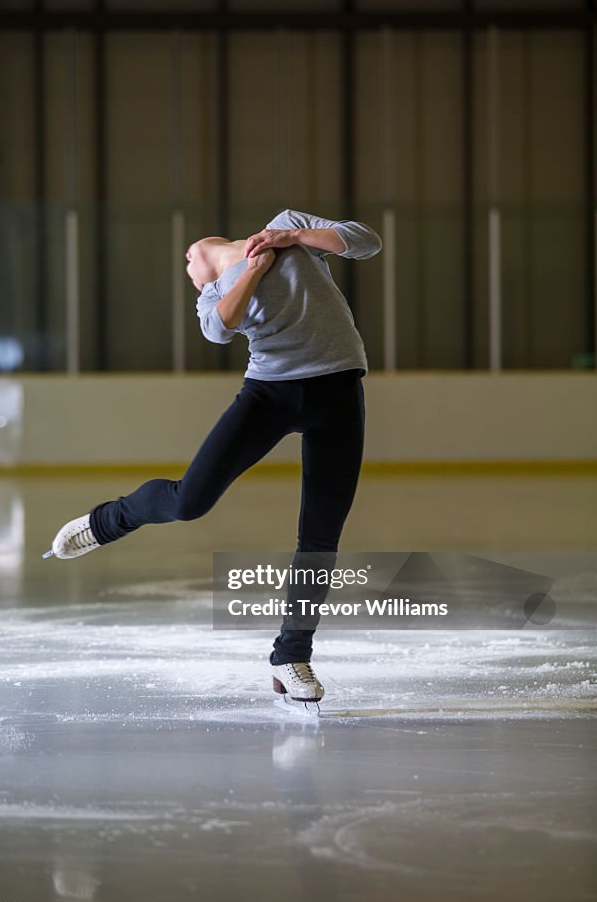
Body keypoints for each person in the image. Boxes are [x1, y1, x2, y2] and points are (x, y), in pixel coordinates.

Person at [45, 208, 382, 708]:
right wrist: (252, 271)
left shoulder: (288, 228)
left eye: (187, 261)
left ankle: (291, 656)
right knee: (188, 501)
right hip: (269, 396)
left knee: (321, 537)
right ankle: (108, 521)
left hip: (339, 394)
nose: (187, 265)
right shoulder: (212, 294)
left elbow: (365, 241)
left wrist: (290, 236)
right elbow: (220, 330)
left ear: (200, 249)